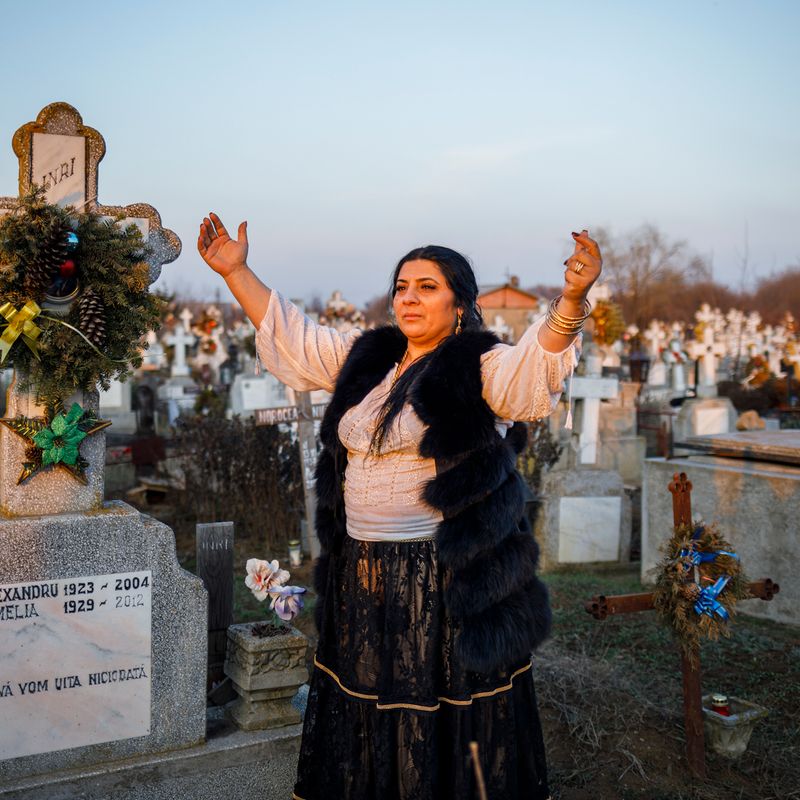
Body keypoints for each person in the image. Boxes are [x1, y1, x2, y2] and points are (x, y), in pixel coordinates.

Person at [197, 215, 601, 800]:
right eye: (402, 287)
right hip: (362, 570)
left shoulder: (476, 366)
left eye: (427, 287)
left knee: (433, 709)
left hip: (437, 578)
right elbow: (295, 335)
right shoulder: (372, 362)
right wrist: (236, 271)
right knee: (367, 703)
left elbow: (530, 373)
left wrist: (570, 299)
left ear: (460, 303)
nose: (409, 298)